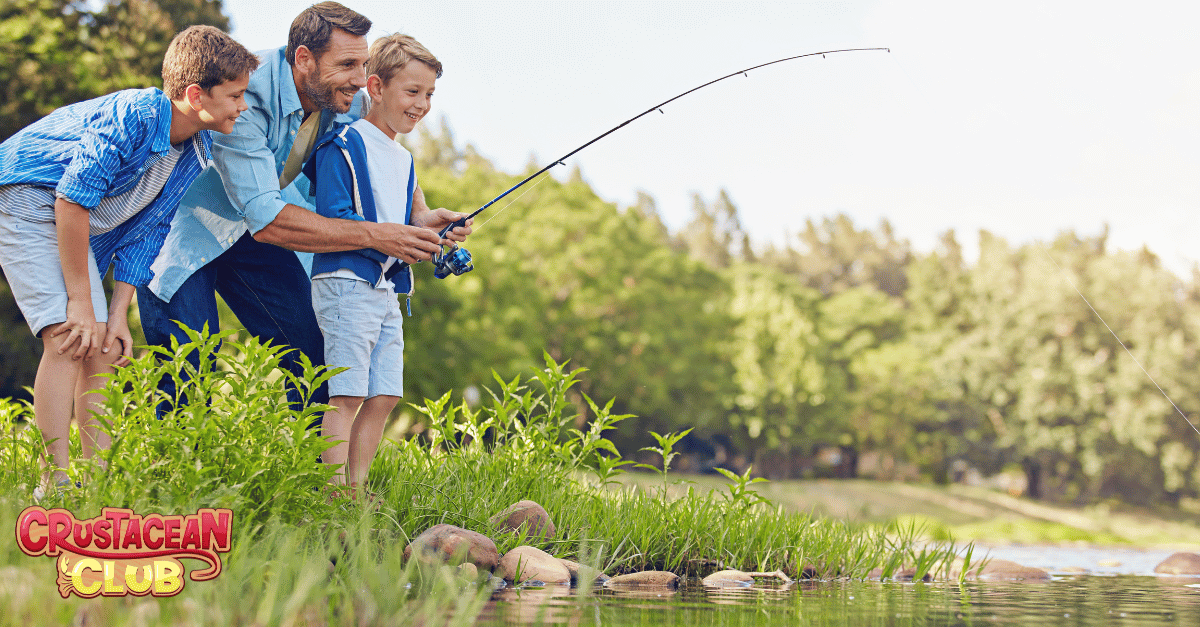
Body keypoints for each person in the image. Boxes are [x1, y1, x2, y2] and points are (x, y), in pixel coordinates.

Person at [137, 2, 472, 413]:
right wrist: (379, 235)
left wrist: (417, 212)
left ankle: (318, 478)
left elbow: (380, 137)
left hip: (252, 231)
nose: (359, 80)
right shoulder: (246, 96)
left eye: (363, 64)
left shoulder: (341, 94)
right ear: (303, 59)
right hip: (184, 232)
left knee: (316, 361)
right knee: (188, 370)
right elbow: (267, 219)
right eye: (347, 64)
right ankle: (159, 474)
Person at [0, 25, 258, 495]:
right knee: (67, 336)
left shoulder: (193, 152)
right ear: (196, 94)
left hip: (77, 218)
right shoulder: (135, 114)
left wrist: (118, 314)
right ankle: (52, 482)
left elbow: (147, 235)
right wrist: (81, 300)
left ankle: (97, 484)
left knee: (102, 348)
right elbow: (72, 200)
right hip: (27, 199)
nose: (243, 106)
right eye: (236, 95)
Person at [302, 33, 442, 493]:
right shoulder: (342, 145)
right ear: (376, 88)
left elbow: (401, 224)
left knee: (384, 395)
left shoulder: (405, 160)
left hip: (385, 290)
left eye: (429, 95)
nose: (421, 104)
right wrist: (395, 241)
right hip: (345, 282)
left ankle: (356, 491)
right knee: (346, 395)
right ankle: (334, 495)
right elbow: (336, 219)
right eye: (413, 91)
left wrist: (433, 231)